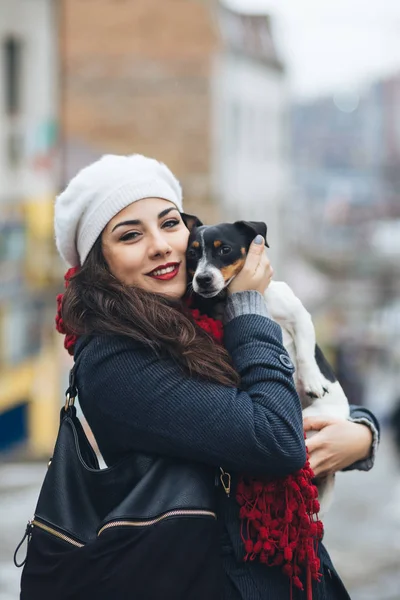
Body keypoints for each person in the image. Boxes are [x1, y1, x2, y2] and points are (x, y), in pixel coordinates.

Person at [54, 154, 379, 599]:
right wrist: (248, 305)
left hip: (287, 575)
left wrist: (361, 435)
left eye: (170, 224)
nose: (160, 245)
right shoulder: (116, 361)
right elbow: (274, 438)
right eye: (130, 235)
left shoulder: (196, 321)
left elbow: (294, 391)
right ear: (98, 263)